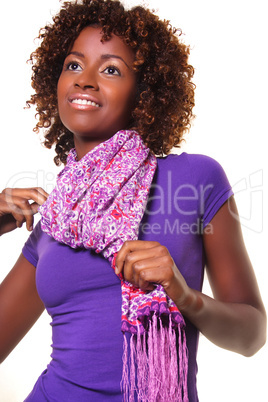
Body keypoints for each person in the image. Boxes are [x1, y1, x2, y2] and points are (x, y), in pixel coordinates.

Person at [0, 0, 266, 401]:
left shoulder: (195, 179)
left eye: (110, 69)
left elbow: (251, 337)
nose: (85, 80)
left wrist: (183, 293)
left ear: (144, 94)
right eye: (73, 65)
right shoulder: (56, 220)